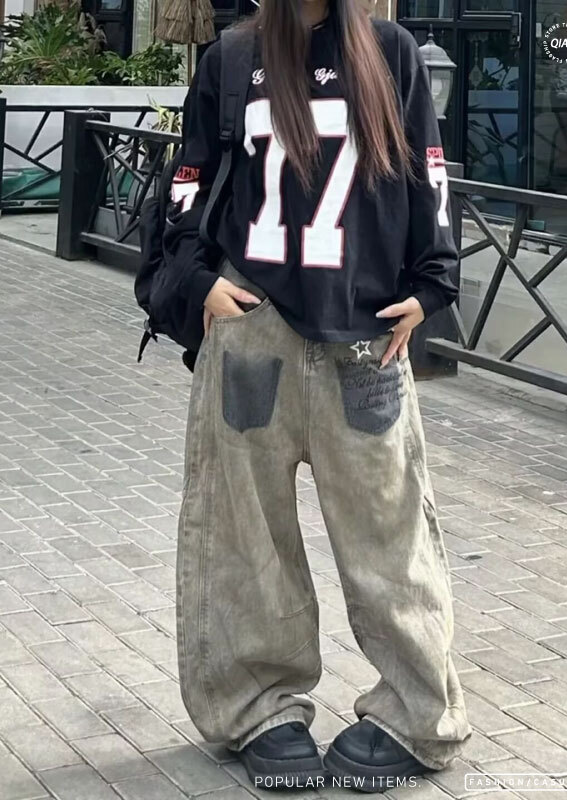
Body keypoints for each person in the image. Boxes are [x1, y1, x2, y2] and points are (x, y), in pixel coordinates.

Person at [174, 0, 471, 790]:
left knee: (391, 535)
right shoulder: (232, 57)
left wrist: (433, 285)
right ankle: (258, 708)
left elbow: (429, 173)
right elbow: (188, 179)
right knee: (244, 535)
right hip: (254, 333)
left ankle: (417, 714)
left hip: (368, 339)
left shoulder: (391, 51)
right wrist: (195, 282)